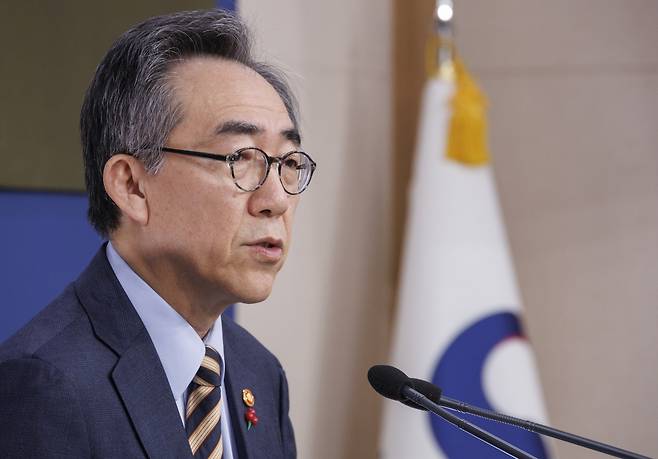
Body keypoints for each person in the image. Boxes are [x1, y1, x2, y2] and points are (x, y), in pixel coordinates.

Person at [0, 9, 315, 459]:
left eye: (288, 162)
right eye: (241, 158)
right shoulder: (44, 385)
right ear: (131, 186)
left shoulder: (259, 373)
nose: (276, 200)